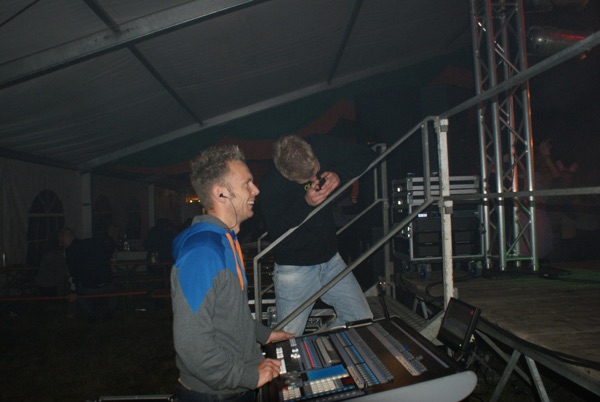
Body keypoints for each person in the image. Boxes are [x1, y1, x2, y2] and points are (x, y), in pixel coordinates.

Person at [171, 144, 294, 402]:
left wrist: (264, 335)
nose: (256, 190)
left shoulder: (225, 241)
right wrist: (248, 376)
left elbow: (228, 314)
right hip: (214, 395)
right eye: (247, 183)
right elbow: (192, 346)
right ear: (221, 193)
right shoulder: (203, 253)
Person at [259, 134, 375, 335]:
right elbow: (277, 231)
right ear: (288, 176)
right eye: (307, 179)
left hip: (331, 260)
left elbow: (366, 155)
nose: (315, 180)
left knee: (360, 320)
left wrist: (339, 175)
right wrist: (306, 204)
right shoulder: (271, 184)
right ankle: (311, 348)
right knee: (287, 339)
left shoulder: (322, 144)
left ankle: (323, 345)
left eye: (316, 171)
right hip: (295, 268)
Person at [57, 227, 117, 322]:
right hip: (106, 283)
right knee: (113, 289)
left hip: (89, 287)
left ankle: (90, 316)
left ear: (65, 239)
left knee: (80, 294)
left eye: (61, 241)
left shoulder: (70, 251)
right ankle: (111, 313)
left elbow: (73, 274)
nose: (60, 244)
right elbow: (110, 246)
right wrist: (108, 257)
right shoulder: (93, 242)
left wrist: (73, 291)